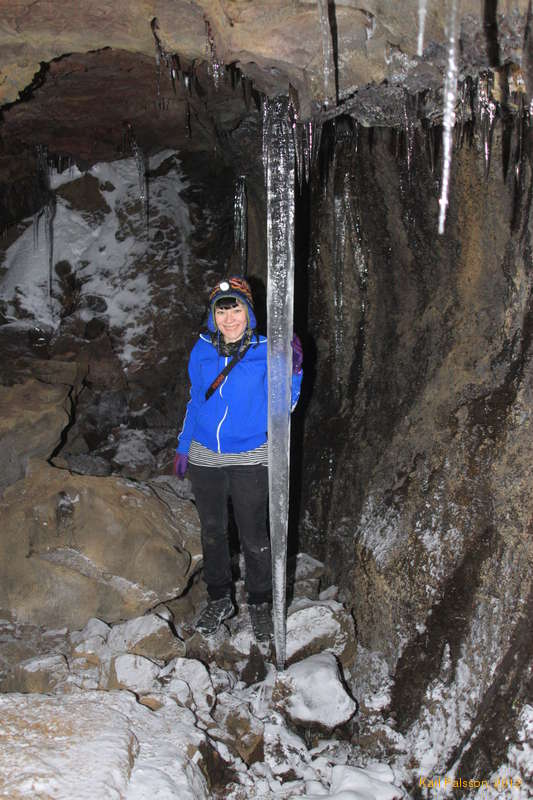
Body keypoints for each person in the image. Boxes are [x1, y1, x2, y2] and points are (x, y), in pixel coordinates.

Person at [174, 276, 303, 641]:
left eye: (236, 310)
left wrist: (294, 371)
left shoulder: (268, 350)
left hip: (249, 456)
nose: (229, 319)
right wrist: (184, 446)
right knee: (213, 532)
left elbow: (284, 408)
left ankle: (259, 602)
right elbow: (195, 401)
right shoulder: (200, 350)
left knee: (253, 534)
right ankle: (220, 598)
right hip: (205, 457)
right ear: (212, 315)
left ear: (248, 312)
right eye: (222, 311)